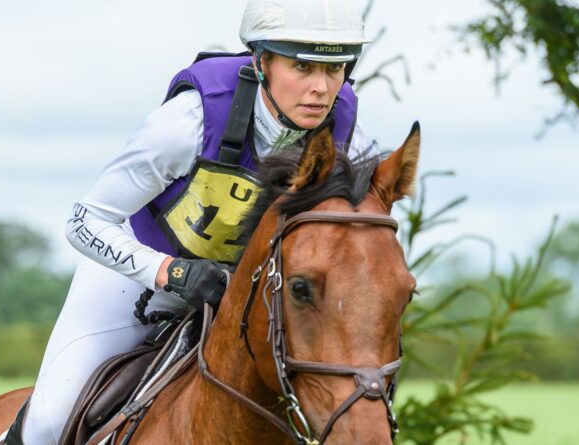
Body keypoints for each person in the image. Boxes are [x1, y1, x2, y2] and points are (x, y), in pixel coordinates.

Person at [20, 0, 379, 443]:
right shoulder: (190, 120)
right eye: (302, 67)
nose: (322, 89)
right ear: (261, 60)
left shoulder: (346, 137)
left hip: (244, 301)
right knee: (49, 422)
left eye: (335, 69)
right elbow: (84, 220)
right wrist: (167, 271)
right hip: (135, 279)